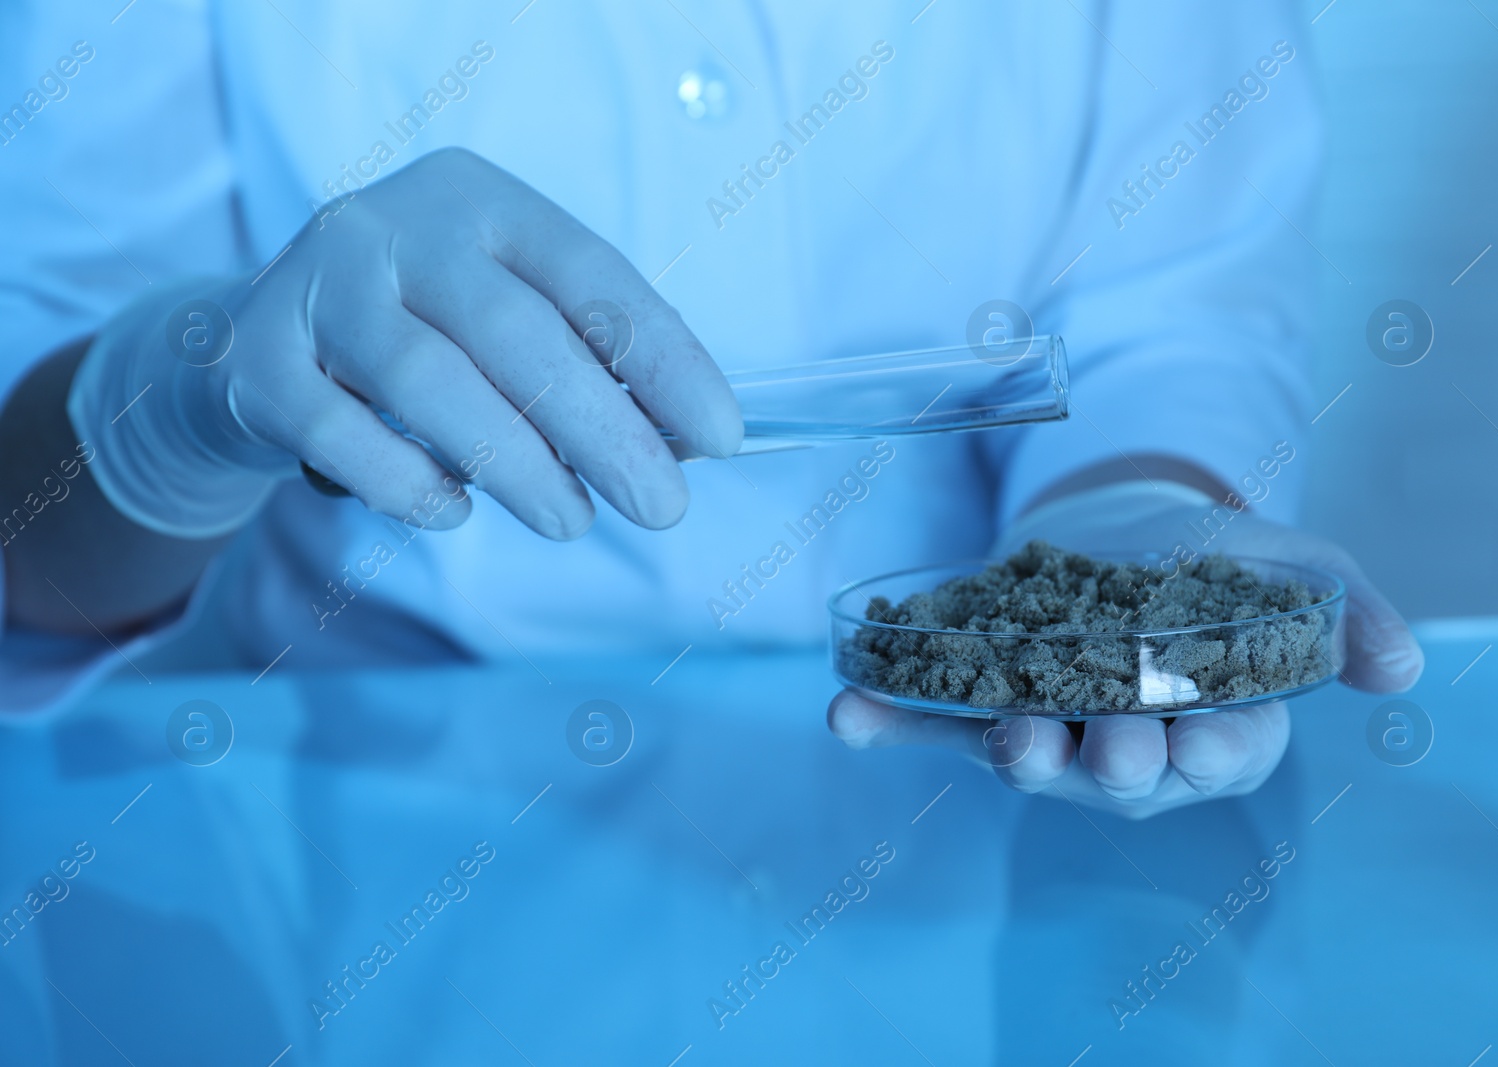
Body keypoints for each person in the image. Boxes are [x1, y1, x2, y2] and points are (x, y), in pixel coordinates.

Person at [0, 0, 1419, 817]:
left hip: (985, 851)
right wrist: (176, 407)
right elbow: (22, 549)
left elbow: (1178, 301)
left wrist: (1131, 501)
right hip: (391, 852)